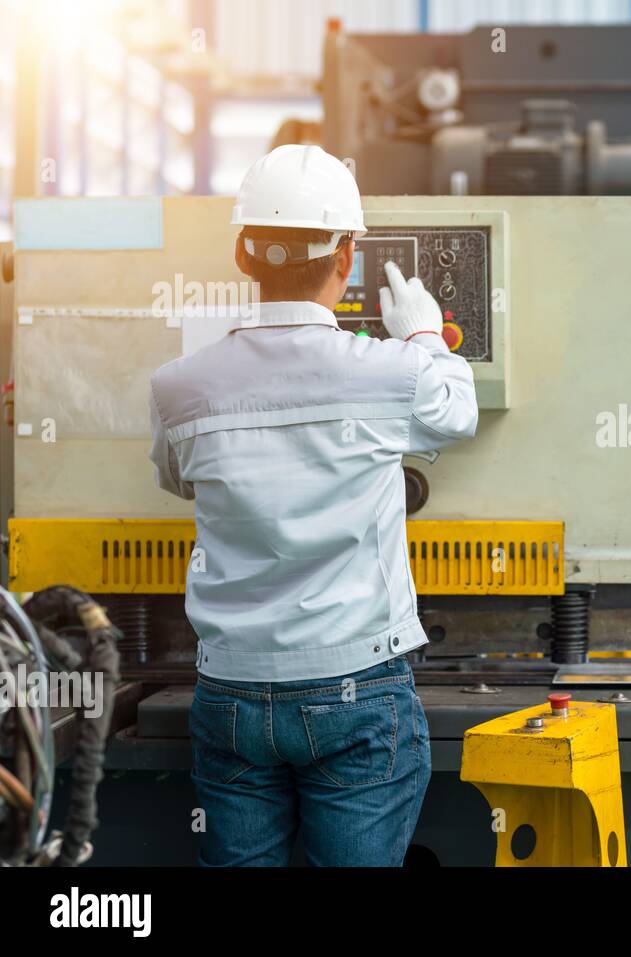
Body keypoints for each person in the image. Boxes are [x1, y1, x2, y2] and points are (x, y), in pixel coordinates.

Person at [147, 144, 478, 866]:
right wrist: (423, 332)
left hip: (231, 692)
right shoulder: (387, 372)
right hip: (357, 689)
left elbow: (180, 479)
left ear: (243, 254)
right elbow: (458, 412)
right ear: (348, 256)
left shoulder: (178, 387)